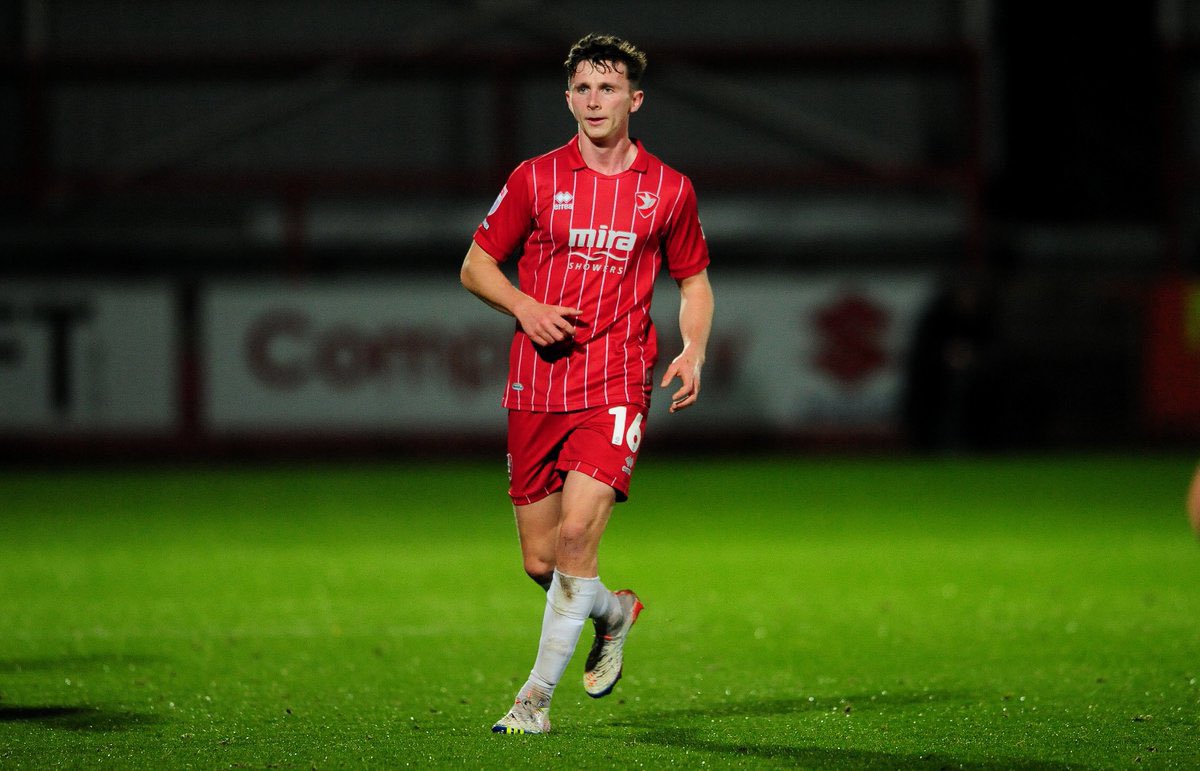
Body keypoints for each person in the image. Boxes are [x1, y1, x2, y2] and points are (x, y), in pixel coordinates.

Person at [460, 32, 714, 735]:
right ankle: (612, 610)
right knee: (543, 561)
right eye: (583, 87)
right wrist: (525, 305)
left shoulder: (668, 189)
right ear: (567, 97)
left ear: (635, 98)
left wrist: (692, 349)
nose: (594, 99)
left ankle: (533, 700)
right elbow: (476, 264)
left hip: (616, 383)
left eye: (609, 87)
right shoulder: (537, 177)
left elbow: (694, 281)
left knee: (576, 536)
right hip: (536, 387)